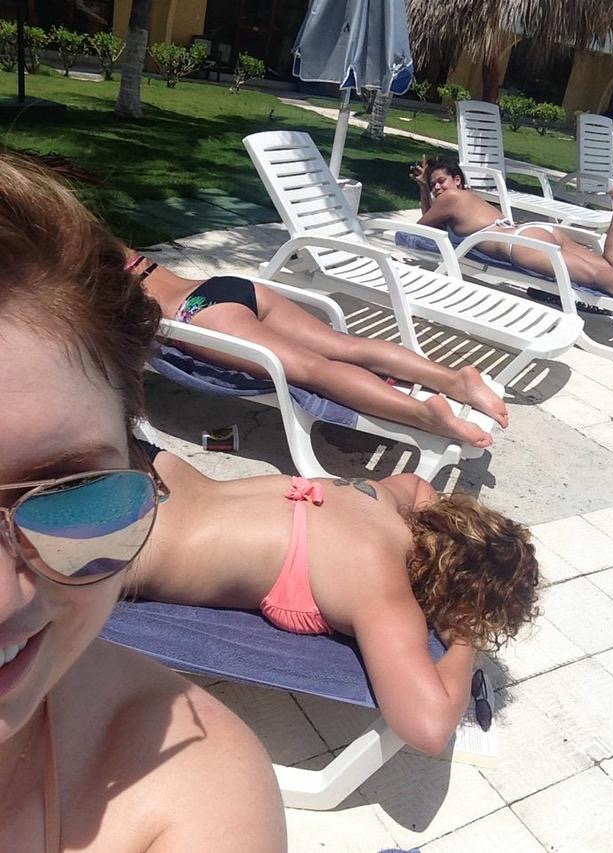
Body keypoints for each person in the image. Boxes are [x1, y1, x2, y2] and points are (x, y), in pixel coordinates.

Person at [0, 154, 286, 852]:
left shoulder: (199, 790)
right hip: (213, 303)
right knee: (312, 359)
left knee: (315, 359)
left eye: (73, 491)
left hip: (212, 298)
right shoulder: (362, 529)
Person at [129, 440, 539, 755]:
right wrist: (464, 638)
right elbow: (429, 730)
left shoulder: (376, 498)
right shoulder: (381, 591)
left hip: (146, 464)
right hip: (132, 538)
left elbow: (418, 486)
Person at [126, 254, 508, 449]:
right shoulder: (106, 243)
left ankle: (424, 416)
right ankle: (455, 380)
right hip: (222, 287)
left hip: (194, 313)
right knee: (345, 345)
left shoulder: (88, 263)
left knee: (313, 369)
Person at [411, 155, 613, 298]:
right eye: (433, 186)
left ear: (457, 180)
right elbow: (431, 224)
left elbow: (421, 227)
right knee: (612, 268)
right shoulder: (469, 199)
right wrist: (424, 188)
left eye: (441, 181)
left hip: (523, 244)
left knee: (597, 277)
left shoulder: (450, 198)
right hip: (535, 233)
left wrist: (424, 190)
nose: (437, 188)